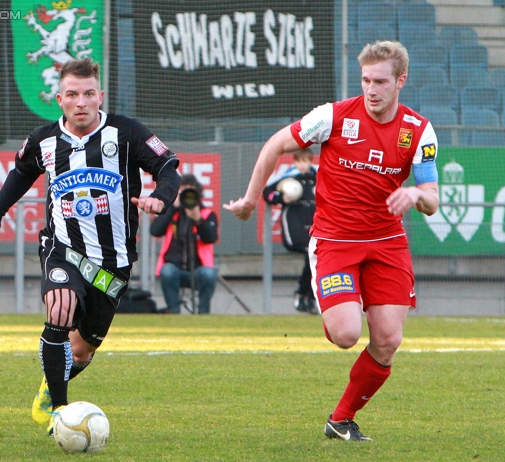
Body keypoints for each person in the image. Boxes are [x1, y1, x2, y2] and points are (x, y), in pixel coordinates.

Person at [224, 41, 439, 441]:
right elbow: (276, 144)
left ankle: (341, 419)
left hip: (387, 242)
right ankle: (335, 305)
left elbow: (433, 200)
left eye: (380, 81)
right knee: (345, 335)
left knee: (388, 339)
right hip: (335, 240)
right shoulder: (334, 116)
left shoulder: (419, 131)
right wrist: (252, 200)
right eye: (365, 80)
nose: (371, 90)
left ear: (400, 81)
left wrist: (416, 194)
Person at [0, 58, 180, 435]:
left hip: (114, 259)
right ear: (59, 99)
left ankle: (51, 385)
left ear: (100, 96)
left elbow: (168, 166)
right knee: (60, 306)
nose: (81, 102)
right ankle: (61, 412)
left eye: (88, 94)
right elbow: (21, 172)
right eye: (72, 94)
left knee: (82, 349)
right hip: (63, 247)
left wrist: (161, 197)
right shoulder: (43, 140)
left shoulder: (127, 133)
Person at [150, 173, 219, 314]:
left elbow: (211, 238)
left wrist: (198, 219)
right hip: (175, 268)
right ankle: (174, 311)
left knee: (210, 274)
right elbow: (155, 230)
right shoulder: (172, 214)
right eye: (183, 192)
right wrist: (172, 207)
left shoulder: (207, 214)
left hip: (199, 269)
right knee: (167, 271)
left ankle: (203, 314)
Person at [262, 149, 318, 314]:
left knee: (316, 257)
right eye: (299, 161)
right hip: (295, 225)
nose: (302, 165)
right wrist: (280, 198)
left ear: (310, 161)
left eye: (305, 161)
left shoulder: (318, 177)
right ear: (294, 162)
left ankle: (307, 296)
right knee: (311, 254)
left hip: (315, 224)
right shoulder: (289, 177)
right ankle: (304, 294)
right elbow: (268, 193)